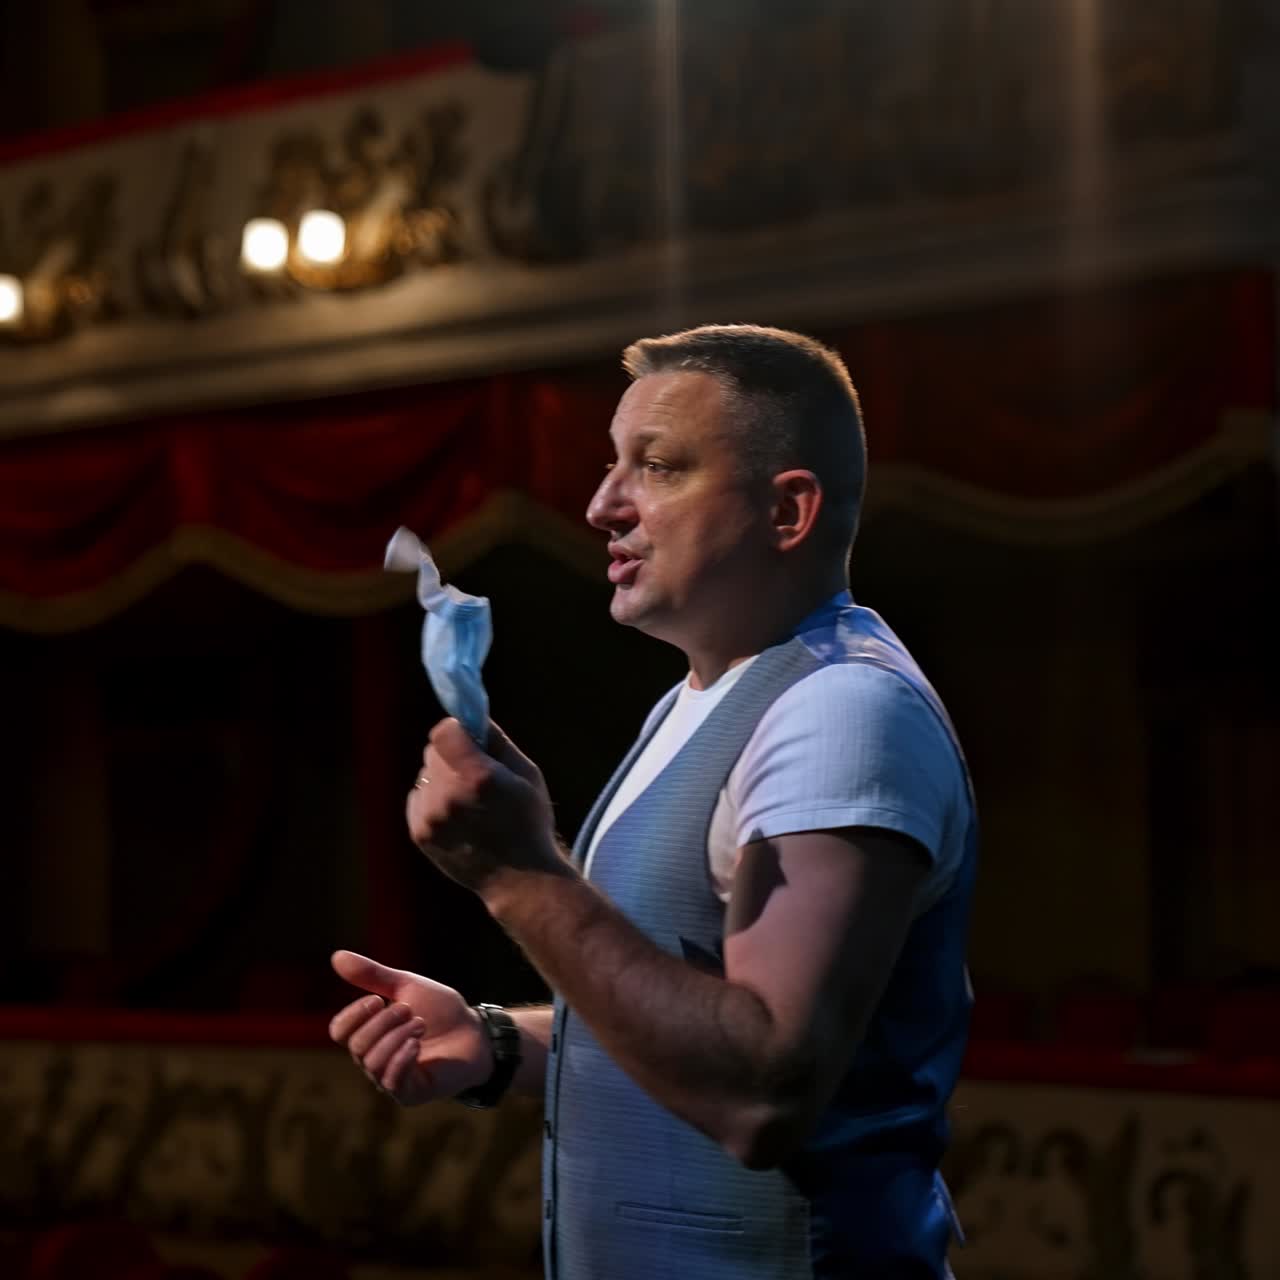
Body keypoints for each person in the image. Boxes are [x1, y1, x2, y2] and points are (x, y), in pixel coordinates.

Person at [329, 325, 976, 1279]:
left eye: (657, 467)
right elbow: (687, 1015)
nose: (601, 506)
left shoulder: (844, 710)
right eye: (610, 467)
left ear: (787, 511)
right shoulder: (694, 700)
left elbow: (764, 1089)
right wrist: (499, 1041)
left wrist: (518, 876)